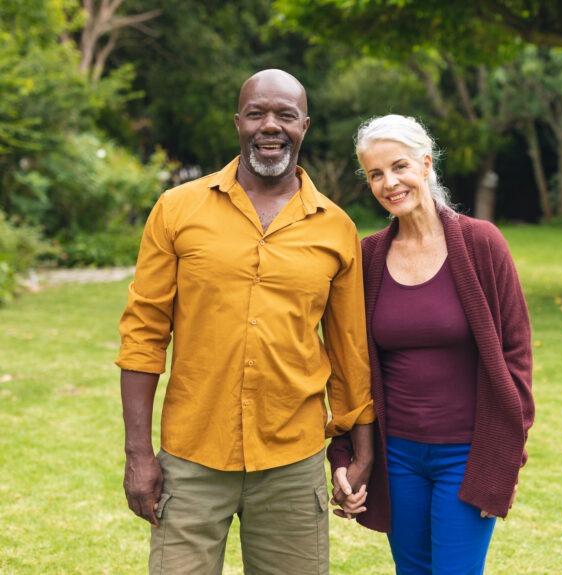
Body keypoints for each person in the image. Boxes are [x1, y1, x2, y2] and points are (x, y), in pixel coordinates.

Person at [116, 69, 374, 575]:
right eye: (257, 114)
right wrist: (137, 455)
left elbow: (349, 349)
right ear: (238, 122)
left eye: (284, 115)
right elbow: (143, 335)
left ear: (305, 124)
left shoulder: (336, 227)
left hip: (292, 462)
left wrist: (359, 450)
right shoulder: (177, 209)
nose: (269, 126)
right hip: (191, 458)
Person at [329, 114, 534, 575]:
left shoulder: (482, 244)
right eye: (375, 174)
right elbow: (350, 363)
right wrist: (344, 452)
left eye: (399, 166)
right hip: (397, 456)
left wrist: (506, 461)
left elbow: (516, 358)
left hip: (466, 455)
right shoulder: (369, 257)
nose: (389, 182)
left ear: (425, 164)